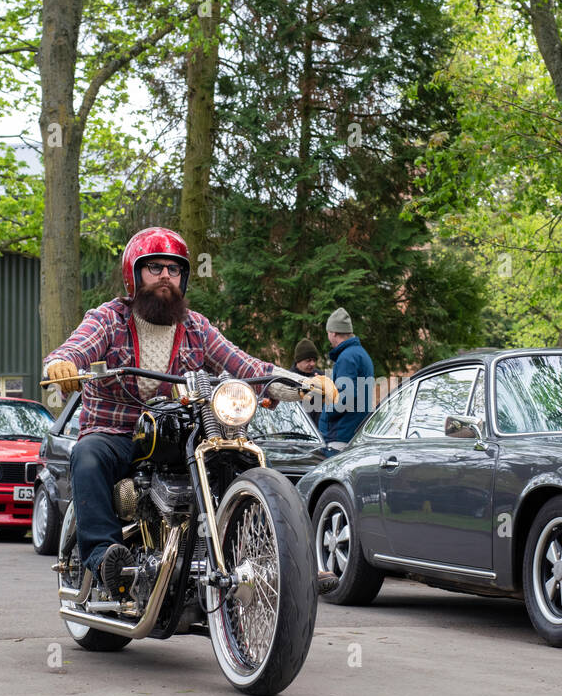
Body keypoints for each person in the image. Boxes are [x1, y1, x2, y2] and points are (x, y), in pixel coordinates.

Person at [43, 227, 329, 596]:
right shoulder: (109, 319)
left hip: (172, 434)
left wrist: (304, 383)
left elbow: (245, 366)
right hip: (117, 434)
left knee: (236, 457)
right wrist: (62, 364)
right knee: (87, 454)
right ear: (135, 274)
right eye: (155, 267)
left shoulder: (196, 328)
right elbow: (78, 347)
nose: (165, 275)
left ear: (184, 278)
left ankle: (289, 560)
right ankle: (103, 558)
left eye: (173, 269)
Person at [318, 307, 374, 449]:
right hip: (353, 432)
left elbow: (345, 396)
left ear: (334, 333)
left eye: (328, 333)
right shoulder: (361, 354)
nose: (328, 337)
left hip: (340, 436)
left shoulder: (347, 357)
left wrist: (326, 413)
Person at [292, 338, 322, 428]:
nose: (312, 364)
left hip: (319, 431)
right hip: (297, 429)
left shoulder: (320, 376)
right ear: (298, 361)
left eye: (314, 360)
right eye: (308, 360)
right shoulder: (289, 379)